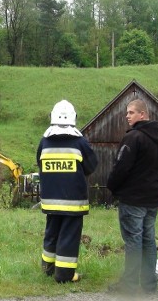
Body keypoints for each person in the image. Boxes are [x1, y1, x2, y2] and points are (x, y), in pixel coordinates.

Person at [106, 99, 158, 294]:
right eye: (127, 112)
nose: (127, 116)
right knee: (149, 241)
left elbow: (121, 167)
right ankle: (149, 285)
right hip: (151, 200)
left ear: (143, 114)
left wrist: (112, 186)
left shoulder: (134, 138)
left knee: (133, 241)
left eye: (131, 112)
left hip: (133, 200)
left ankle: (129, 285)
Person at [37, 100, 98, 283]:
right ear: (74, 118)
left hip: (50, 201)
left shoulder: (44, 142)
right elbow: (91, 166)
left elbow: (40, 165)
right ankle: (64, 275)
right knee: (69, 237)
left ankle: (48, 269)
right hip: (73, 202)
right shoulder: (80, 142)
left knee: (52, 233)